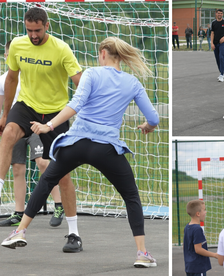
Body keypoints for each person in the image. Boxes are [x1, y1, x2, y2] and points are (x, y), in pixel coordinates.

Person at [1, 36, 160, 268]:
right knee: (131, 197)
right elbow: (153, 118)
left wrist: (49, 125)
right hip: (106, 148)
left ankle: (20, 231)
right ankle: (142, 253)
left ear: (103, 53)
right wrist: (148, 126)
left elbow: (75, 104)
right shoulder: (132, 82)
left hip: (76, 143)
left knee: (46, 181)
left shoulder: (91, 74)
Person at [0, 7, 82, 252]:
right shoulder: (17, 45)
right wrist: (5, 113)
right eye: (29, 30)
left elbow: (81, 82)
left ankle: (74, 234)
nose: (33, 35)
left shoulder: (61, 49)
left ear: (46, 26)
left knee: (63, 174)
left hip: (56, 113)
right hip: (27, 105)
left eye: (37, 30)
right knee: (8, 134)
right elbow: (12, 79)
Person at [0, 40, 64, 227]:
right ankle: (18, 212)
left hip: (34, 124)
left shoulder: (32, 74)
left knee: (44, 162)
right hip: (15, 127)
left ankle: (59, 204)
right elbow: (4, 106)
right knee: (17, 168)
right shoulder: (4, 79)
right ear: (7, 56)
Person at [184, 200, 219, 276]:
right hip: (198, 267)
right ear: (198, 213)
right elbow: (198, 249)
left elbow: (185, 246)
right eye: (204, 210)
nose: (206, 212)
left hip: (189, 266)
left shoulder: (187, 227)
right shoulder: (197, 229)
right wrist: (215, 255)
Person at [211, 9, 224, 82]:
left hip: (223, 43)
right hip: (215, 43)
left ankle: (221, 74)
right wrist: (212, 43)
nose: (219, 14)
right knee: (217, 59)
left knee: (221, 57)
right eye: (218, 13)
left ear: (222, 14)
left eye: (221, 13)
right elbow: (212, 33)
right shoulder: (213, 23)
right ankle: (221, 72)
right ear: (216, 14)